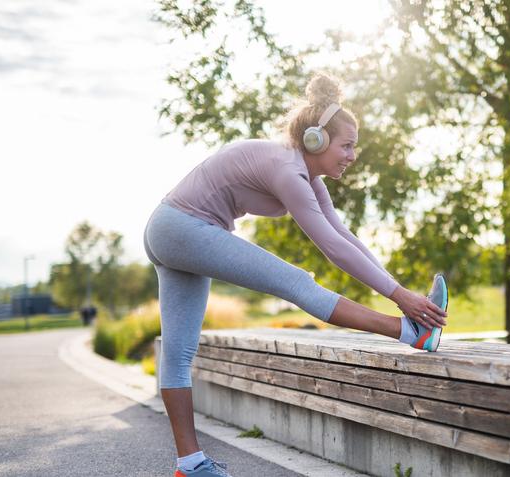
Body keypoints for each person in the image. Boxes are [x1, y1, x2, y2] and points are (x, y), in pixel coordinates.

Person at [143, 73, 449, 477]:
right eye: (347, 146)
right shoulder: (288, 171)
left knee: (180, 353)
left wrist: (400, 290)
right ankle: (411, 332)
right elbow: (333, 249)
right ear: (315, 141)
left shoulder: (306, 176)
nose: (352, 156)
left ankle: (190, 464)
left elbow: (345, 237)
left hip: (172, 229)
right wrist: (400, 298)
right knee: (298, 284)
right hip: (183, 227)